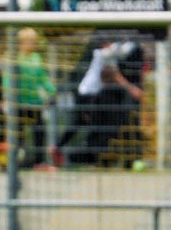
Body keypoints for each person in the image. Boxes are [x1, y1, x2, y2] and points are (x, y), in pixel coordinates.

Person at [57, 34, 145, 166]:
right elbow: (123, 52)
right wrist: (132, 88)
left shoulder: (106, 55)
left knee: (84, 123)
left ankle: (62, 148)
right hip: (87, 95)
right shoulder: (103, 54)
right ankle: (76, 153)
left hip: (90, 94)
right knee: (96, 124)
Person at [9, 28, 57, 167]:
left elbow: (43, 78)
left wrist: (52, 91)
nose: (34, 44)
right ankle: (14, 162)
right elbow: (8, 79)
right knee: (18, 134)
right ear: (21, 42)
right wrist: (9, 95)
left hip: (34, 102)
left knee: (39, 131)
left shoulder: (37, 58)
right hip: (18, 103)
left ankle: (39, 161)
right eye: (30, 41)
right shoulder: (15, 58)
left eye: (34, 41)